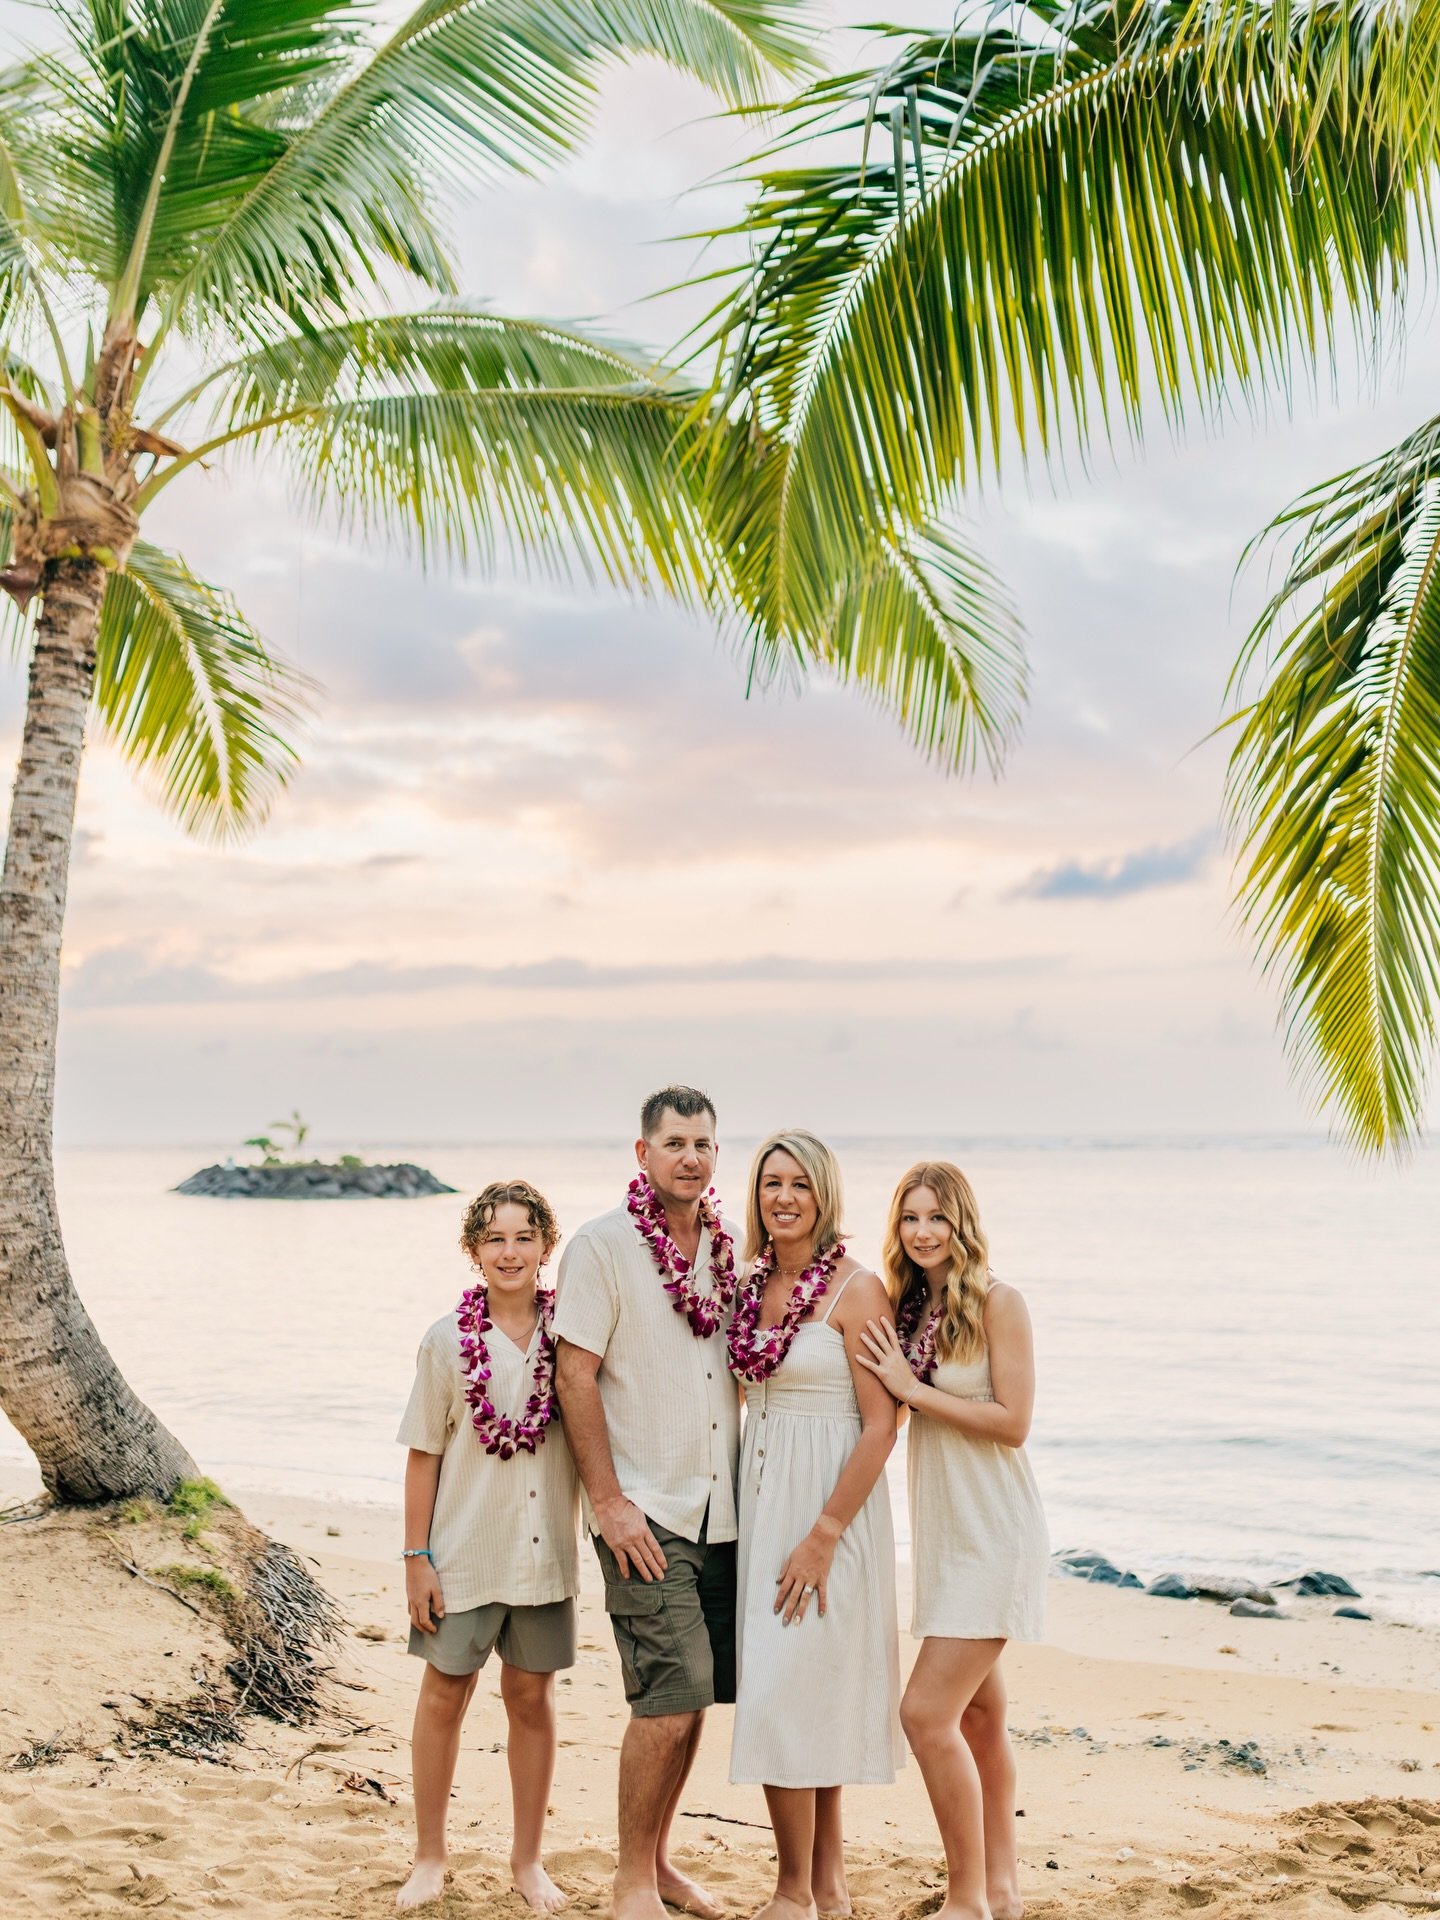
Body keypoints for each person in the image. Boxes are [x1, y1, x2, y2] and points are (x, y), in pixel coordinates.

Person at [553, 1087, 740, 1920]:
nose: (690, 1157)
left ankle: (660, 1864)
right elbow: (573, 1373)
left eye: (702, 1143)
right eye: (674, 1142)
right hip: (646, 1512)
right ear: (643, 1154)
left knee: (696, 1694)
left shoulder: (732, 1253)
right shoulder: (601, 1247)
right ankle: (630, 1880)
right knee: (667, 1696)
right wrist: (610, 1502)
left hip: (722, 1509)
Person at [856, 1162, 1047, 1920]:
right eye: (910, 1218)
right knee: (977, 1718)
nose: (923, 1231)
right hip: (944, 1538)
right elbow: (883, 1412)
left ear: (962, 1222)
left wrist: (914, 1390)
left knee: (925, 1716)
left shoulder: (1001, 1302)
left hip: (995, 1533)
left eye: (936, 1216)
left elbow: (1014, 1422)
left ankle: (966, 1898)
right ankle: (1002, 1890)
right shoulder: (910, 1310)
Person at [728, 1130, 903, 1920]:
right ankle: (828, 1886)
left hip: (828, 1510)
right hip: (760, 1501)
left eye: (799, 1183)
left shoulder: (857, 1291)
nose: (784, 1197)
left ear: (824, 1193)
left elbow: (881, 1425)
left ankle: (792, 1890)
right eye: (771, 1183)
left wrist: (826, 1531)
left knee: (788, 1691)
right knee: (793, 1689)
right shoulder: (746, 1283)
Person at [395, 1180, 579, 1914]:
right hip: (463, 1553)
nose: (511, 1251)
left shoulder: (573, 1336)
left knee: (531, 1698)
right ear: (474, 1251)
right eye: (495, 1238)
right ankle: (430, 1855)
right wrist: (416, 1558)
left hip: (544, 1557)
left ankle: (527, 1860)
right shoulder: (446, 1341)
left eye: (524, 1236)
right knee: (445, 1695)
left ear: (546, 1246)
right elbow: (423, 1454)